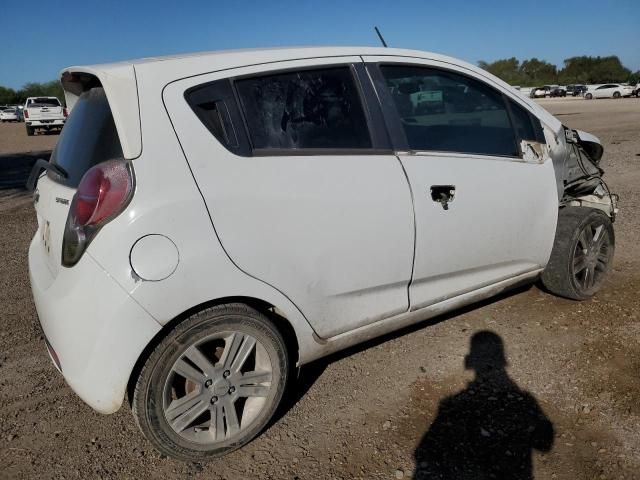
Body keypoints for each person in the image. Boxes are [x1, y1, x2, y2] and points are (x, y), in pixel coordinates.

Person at [414, 331, 554, 480]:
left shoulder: (452, 404)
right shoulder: (525, 400)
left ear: (470, 361)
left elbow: (426, 451)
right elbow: (544, 444)